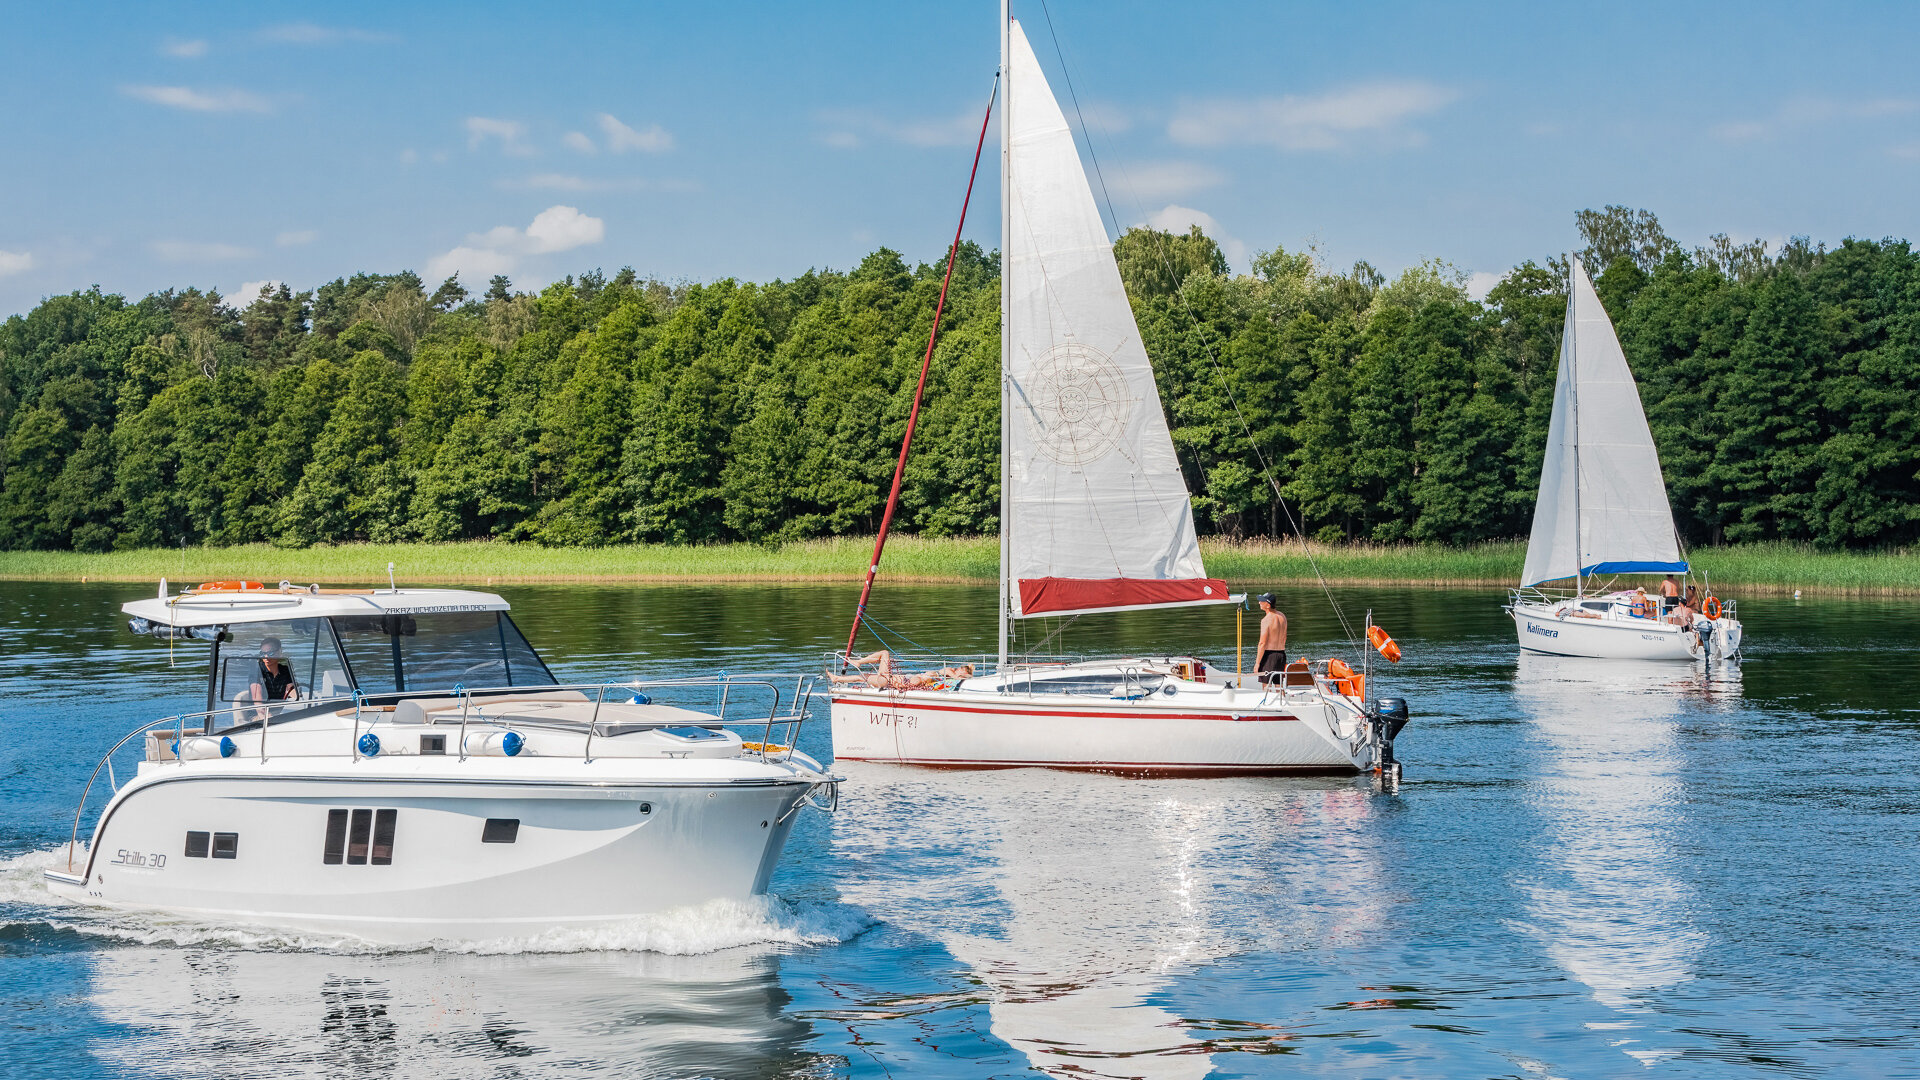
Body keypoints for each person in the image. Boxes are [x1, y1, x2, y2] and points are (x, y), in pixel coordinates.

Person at [246, 636, 299, 718]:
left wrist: (299, 698)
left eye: (270, 653)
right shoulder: (256, 670)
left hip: (281, 712)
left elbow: (291, 690)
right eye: (262, 653)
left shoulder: (285, 669)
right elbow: (257, 696)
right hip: (257, 715)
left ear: (279, 652)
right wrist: (264, 714)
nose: (266, 657)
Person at [1255, 593, 1288, 685]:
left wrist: (1257, 663)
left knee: (1266, 686)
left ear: (1268, 605)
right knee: (1279, 685)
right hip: (1281, 654)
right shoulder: (1282, 616)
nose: (1259, 602)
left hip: (1269, 656)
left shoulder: (1266, 620)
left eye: (1262, 601)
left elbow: (1262, 643)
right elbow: (1285, 636)